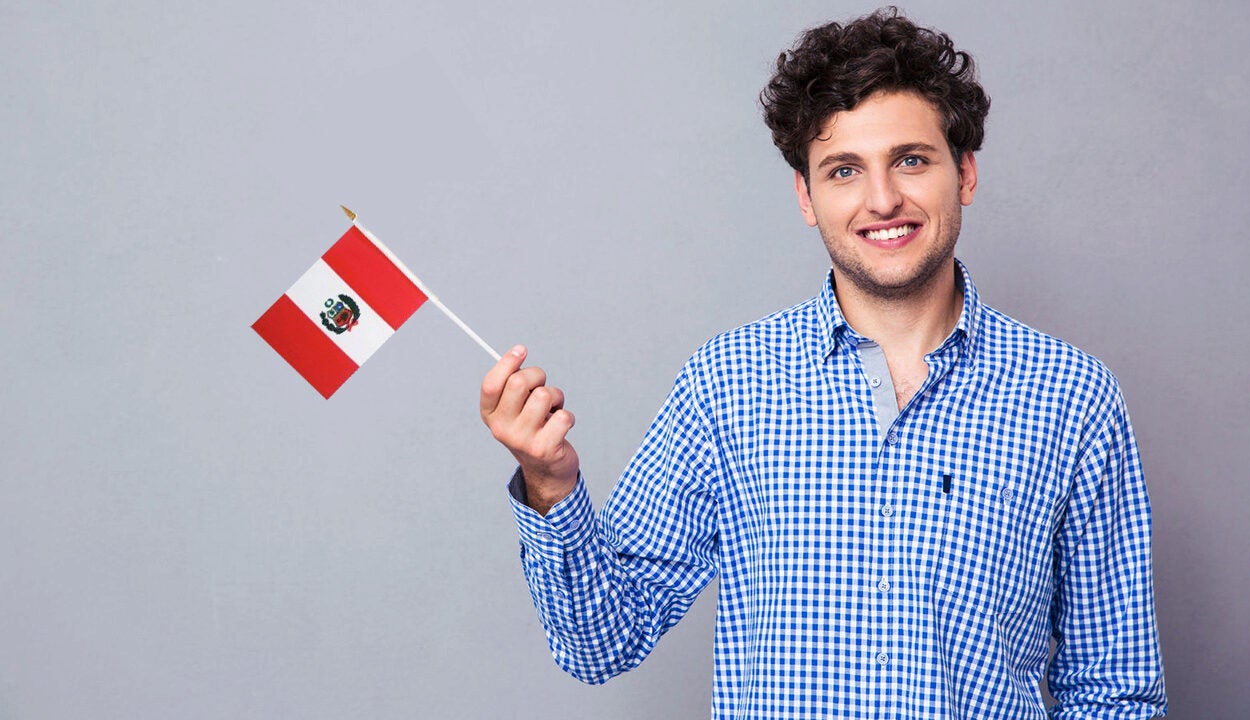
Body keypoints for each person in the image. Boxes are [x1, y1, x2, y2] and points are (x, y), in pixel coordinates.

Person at [479, 7, 1166, 718]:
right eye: (844, 170)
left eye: (911, 159)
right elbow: (600, 642)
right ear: (807, 196)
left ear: (964, 172)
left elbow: (1114, 689)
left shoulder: (1074, 398)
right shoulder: (727, 385)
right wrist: (550, 483)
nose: (882, 199)